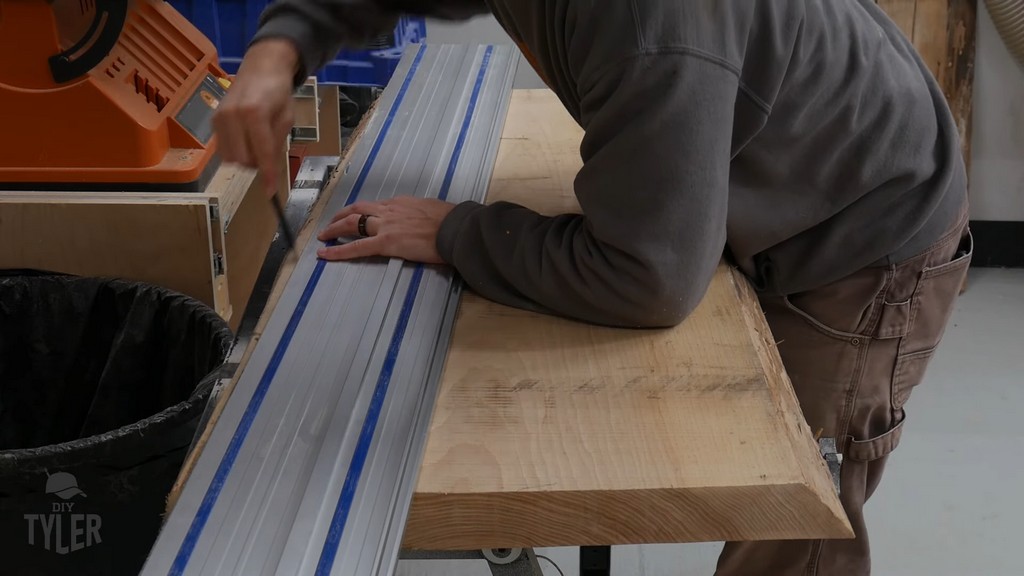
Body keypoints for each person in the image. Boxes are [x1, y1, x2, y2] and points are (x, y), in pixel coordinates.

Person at [212, 1, 973, 574]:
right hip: (768, 165)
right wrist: (282, 45)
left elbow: (648, 276)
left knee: (793, 512)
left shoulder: (652, 19)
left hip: (866, 236)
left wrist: (456, 233)